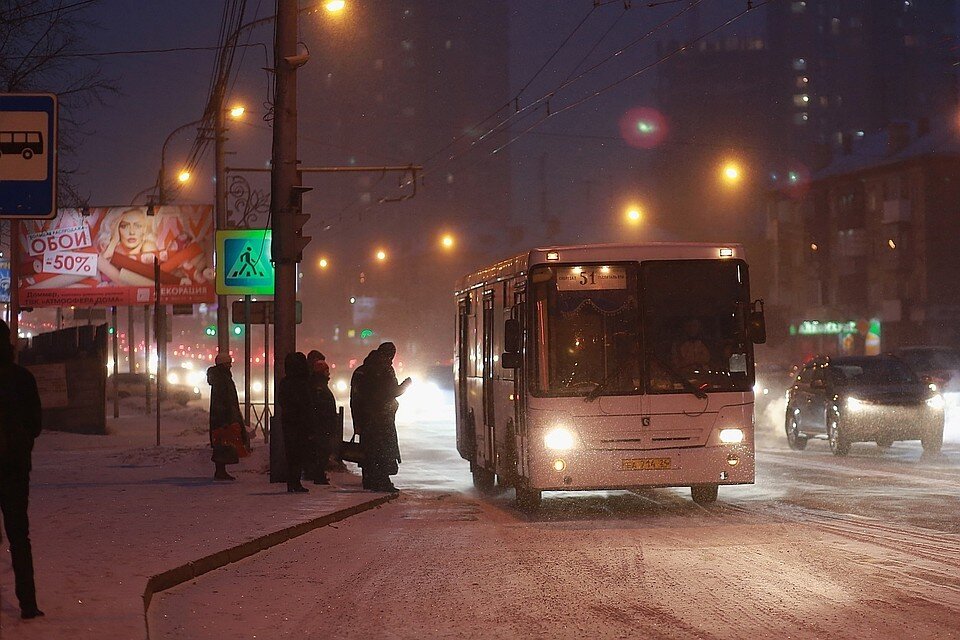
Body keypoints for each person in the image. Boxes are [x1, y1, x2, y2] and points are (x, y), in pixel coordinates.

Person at [0, 319, 44, 620]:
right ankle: (27, 603)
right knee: (19, 536)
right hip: (15, 467)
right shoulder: (22, 378)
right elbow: (36, 424)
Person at [353, 342, 411, 492]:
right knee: (383, 450)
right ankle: (383, 481)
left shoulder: (361, 371)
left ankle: (369, 479)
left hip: (366, 419)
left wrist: (357, 422)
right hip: (382, 418)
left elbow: (355, 399)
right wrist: (406, 385)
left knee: (369, 450)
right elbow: (392, 392)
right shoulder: (385, 370)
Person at [278, 352, 316, 493]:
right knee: (299, 453)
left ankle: (292, 482)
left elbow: (282, 401)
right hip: (301, 423)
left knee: (291, 453)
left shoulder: (285, 382)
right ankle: (295, 481)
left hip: (289, 422)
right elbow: (307, 404)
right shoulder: (303, 382)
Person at [206, 353, 247, 481]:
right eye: (228, 363)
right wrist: (226, 417)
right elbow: (224, 399)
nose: (230, 366)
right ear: (223, 364)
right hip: (223, 417)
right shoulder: (222, 378)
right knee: (222, 442)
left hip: (221, 416)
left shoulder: (220, 377)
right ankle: (220, 471)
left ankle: (221, 470)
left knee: (222, 443)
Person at [307, 351, 337, 485]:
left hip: (322, 425)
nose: (329, 374)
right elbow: (319, 407)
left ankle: (318, 474)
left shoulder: (318, 384)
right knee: (321, 451)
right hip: (322, 425)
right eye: (327, 371)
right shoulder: (318, 386)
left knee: (320, 451)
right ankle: (318, 475)